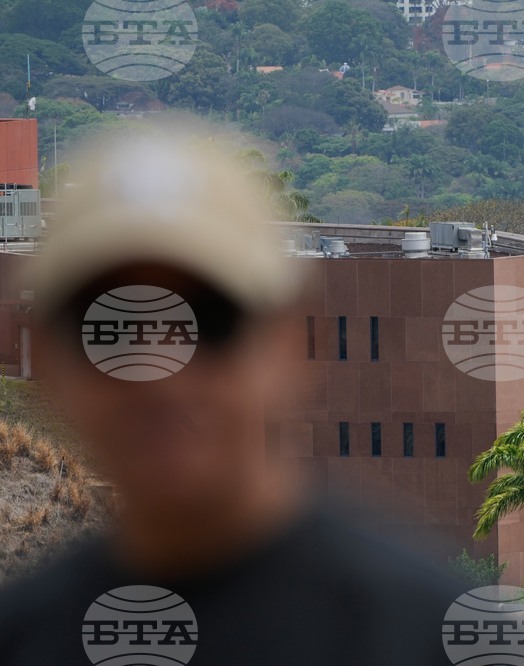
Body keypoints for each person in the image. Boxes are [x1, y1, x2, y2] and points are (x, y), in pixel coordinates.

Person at [0, 136, 462, 664]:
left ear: (286, 345)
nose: (161, 376)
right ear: (52, 362)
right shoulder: (22, 639)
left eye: (210, 321)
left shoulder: (419, 636)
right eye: (108, 331)